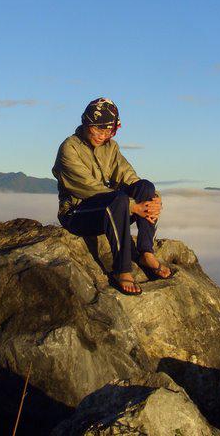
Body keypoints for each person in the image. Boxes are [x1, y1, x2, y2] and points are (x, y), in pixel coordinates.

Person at [52, 97, 172, 295]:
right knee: (119, 199)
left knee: (145, 187)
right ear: (86, 123)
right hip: (77, 213)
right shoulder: (69, 148)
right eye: (98, 129)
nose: (102, 135)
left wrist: (154, 199)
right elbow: (88, 188)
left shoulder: (111, 147)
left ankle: (146, 253)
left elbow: (128, 177)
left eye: (109, 131)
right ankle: (122, 269)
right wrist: (133, 207)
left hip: (110, 208)